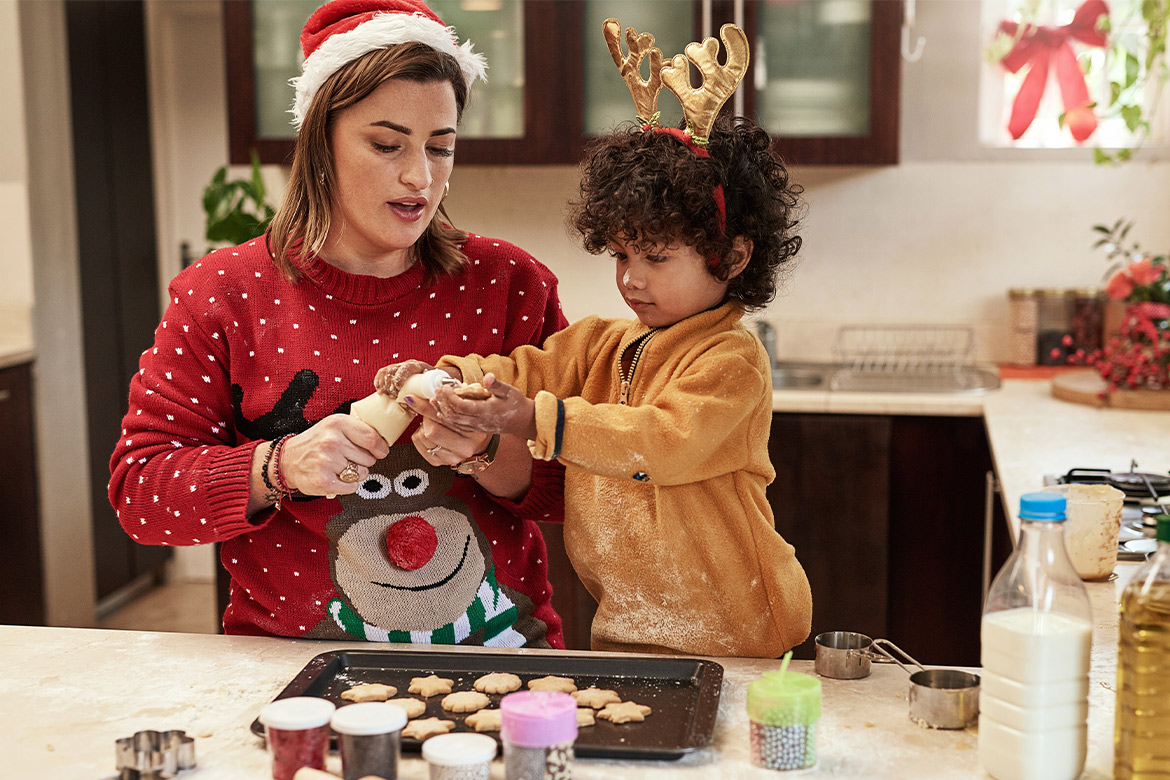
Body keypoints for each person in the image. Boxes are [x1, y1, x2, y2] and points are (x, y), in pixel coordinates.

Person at [108, 0, 567, 648]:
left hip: (499, 663)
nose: (420, 176)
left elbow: (584, 487)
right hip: (294, 670)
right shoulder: (222, 295)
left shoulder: (509, 285)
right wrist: (280, 466)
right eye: (387, 144)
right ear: (319, 139)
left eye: (441, 147)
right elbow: (142, 495)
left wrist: (490, 451)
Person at [378, 21, 813, 658]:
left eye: (657, 257)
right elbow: (522, 369)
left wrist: (533, 419)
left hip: (738, 626)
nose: (631, 279)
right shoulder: (599, 345)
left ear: (734, 254)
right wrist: (442, 376)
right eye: (619, 254)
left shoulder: (732, 361)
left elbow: (663, 442)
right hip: (629, 625)